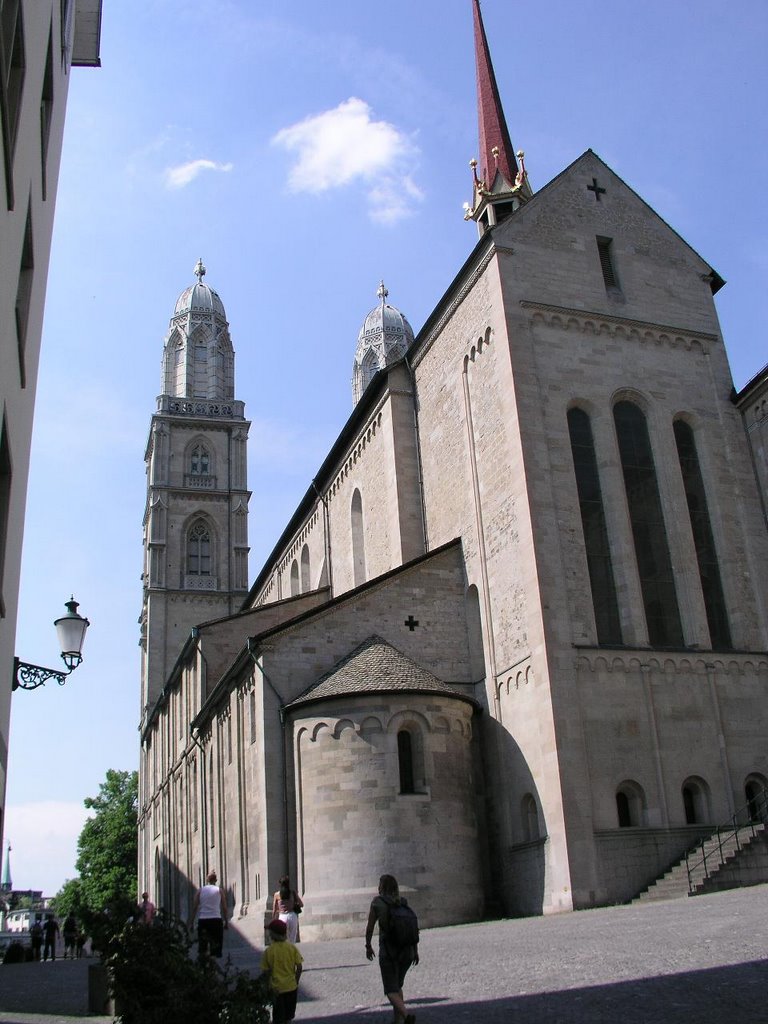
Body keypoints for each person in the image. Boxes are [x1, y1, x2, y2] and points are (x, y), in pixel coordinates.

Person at [365, 875, 419, 1024]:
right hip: (407, 952)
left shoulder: (377, 902)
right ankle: (398, 1021)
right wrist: (415, 950)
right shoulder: (403, 902)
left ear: (381, 887)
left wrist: (368, 946)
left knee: (390, 990)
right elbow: (412, 927)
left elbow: (370, 928)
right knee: (397, 986)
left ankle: (406, 1016)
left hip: (389, 951)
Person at [260, 918, 303, 1024]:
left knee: (278, 1018)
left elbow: (266, 972)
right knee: (288, 1017)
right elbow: (299, 967)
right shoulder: (292, 948)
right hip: (291, 987)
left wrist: (266, 986)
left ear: (273, 935)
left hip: (277, 989)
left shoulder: (269, 951)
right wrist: (296, 980)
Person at [189, 870, 228, 958]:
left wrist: (191, 923)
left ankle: (205, 967)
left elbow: (195, 907)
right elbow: (224, 907)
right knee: (216, 947)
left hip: (203, 921)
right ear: (216, 880)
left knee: (203, 947)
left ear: (207, 880)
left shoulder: (200, 891)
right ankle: (213, 965)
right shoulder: (219, 890)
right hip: (216, 920)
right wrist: (226, 922)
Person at [272, 875, 303, 943]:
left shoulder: (277, 895)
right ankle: (291, 951)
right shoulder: (293, 893)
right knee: (292, 938)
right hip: (292, 916)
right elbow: (301, 904)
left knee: (283, 938)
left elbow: (274, 909)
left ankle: (285, 951)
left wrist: (273, 919)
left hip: (282, 917)